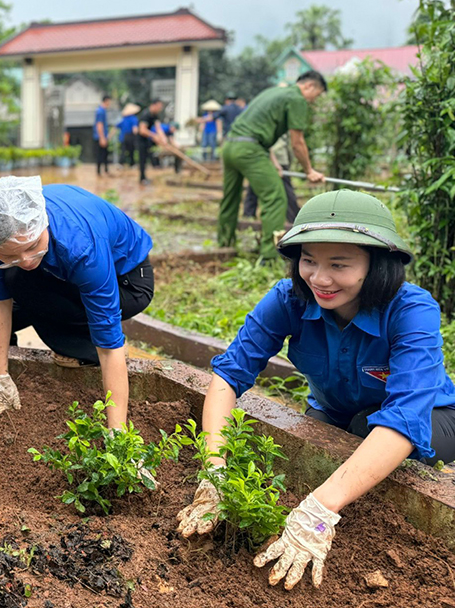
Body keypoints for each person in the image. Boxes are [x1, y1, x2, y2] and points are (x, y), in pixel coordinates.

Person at [177, 189, 455, 591]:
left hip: (433, 419)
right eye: (309, 260)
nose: (320, 279)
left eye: (338, 264)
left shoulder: (411, 310)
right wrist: (214, 470)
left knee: (363, 433)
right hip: (334, 411)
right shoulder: (289, 298)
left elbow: (404, 418)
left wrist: (318, 513)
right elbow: (227, 377)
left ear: (376, 266)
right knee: (311, 458)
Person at [0, 176, 155, 433]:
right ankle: (0, 386)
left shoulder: (81, 246)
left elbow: (110, 343)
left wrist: (117, 434)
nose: (25, 260)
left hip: (128, 281)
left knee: (22, 284)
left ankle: (82, 349)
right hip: (58, 271)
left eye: (33, 246)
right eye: (10, 255)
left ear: (42, 223)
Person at [218, 71, 327, 261]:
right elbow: (297, 141)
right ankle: (269, 257)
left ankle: (224, 244)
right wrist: (309, 170)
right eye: (316, 95)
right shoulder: (296, 98)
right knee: (276, 198)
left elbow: (259, 130)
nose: (312, 101)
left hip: (230, 146)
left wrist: (274, 163)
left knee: (231, 197)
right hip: (249, 150)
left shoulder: (273, 92)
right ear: (309, 86)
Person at [243, 133, 300, 223]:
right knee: (285, 188)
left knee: (255, 184)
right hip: (273, 157)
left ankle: (249, 213)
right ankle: (295, 218)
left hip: (266, 156)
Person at [137, 99, 167, 186]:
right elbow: (142, 130)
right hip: (141, 139)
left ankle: (144, 177)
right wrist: (154, 136)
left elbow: (158, 128)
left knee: (149, 157)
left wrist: (163, 138)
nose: (160, 108)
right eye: (159, 106)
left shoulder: (155, 115)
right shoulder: (145, 115)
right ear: (154, 105)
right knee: (142, 160)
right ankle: (142, 178)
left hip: (148, 139)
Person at [93, 95, 111, 176]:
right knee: (100, 155)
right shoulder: (100, 111)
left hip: (102, 136)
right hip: (100, 137)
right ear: (106, 101)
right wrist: (102, 137)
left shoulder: (102, 110)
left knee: (104, 154)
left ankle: (105, 171)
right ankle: (99, 172)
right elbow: (99, 125)